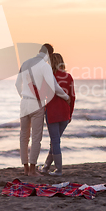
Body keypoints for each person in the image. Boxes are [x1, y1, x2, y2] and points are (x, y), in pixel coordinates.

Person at [15, 44, 70, 176]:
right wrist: (66, 97)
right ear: (49, 55)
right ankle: (33, 170)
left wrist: (23, 96)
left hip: (24, 103)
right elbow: (54, 86)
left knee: (23, 136)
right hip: (37, 103)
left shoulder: (25, 63)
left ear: (39, 51)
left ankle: (26, 169)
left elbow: (17, 84)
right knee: (36, 137)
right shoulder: (44, 66)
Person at [39, 53, 75, 176]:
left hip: (53, 112)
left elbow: (43, 94)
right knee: (55, 141)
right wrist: (70, 113)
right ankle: (45, 167)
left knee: (55, 141)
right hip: (65, 113)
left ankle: (58, 170)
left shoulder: (49, 76)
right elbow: (72, 97)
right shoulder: (68, 76)